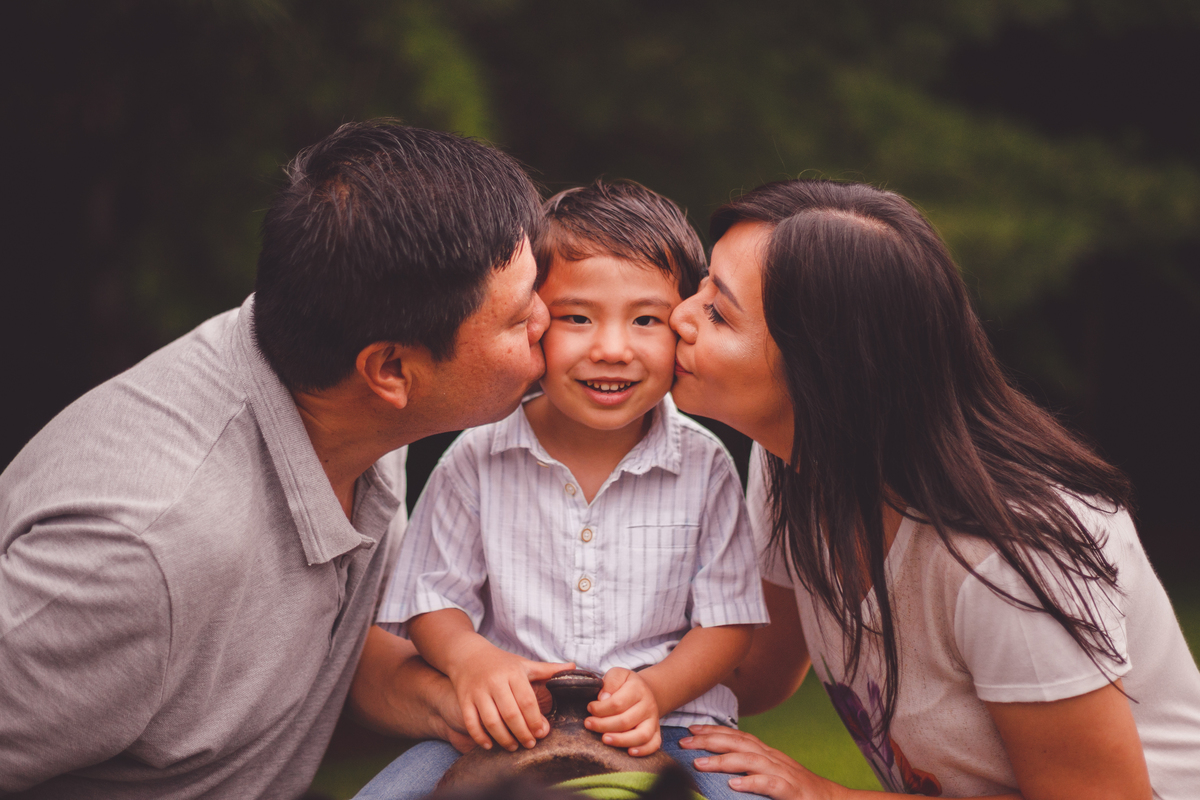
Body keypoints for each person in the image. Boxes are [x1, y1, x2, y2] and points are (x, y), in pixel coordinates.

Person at [0, 120, 550, 798]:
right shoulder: (137, 553)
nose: (551, 322)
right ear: (392, 371)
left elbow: (325, 646)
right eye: (519, 316)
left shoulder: (350, 405)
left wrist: (464, 700)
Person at [668, 179, 1200, 798]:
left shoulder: (1011, 557)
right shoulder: (790, 465)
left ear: (825, 371)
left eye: (717, 312)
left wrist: (827, 795)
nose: (678, 313)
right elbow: (753, 671)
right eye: (704, 284)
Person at [355, 180, 770, 799]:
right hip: (509, 726)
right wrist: (473, 662)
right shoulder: (477, 454)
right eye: (577, 318)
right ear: (534, 325)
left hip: (670, 726)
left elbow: (727, 621)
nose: (611, 349)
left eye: (646, 320)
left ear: (682, 326)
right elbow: (431, 598)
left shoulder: (704, 465)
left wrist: (656, 691)